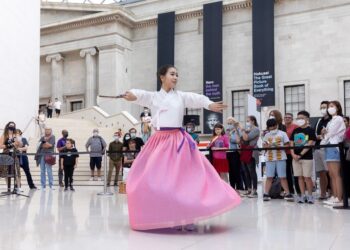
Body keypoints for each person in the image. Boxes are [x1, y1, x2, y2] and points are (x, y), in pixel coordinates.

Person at [121, 64, 240, 231]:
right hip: (159, 141)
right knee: (155, 180)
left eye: (177, 74)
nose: (175, 77)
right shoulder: (154, 97)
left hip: (177, 141)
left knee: (184, 180)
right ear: (162, 77)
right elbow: (140, 95)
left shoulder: (181, 96)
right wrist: (131, 94)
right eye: (172, 74)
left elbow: (197, 99)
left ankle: (187, 216)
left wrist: (210, 104)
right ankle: (167, 215)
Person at [262, 119, 294, 201]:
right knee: (269, 176)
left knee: (283, 176)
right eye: (270, 127)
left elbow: (287, 145)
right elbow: (264, 146)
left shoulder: (283, 133)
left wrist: (279, 146)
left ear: (276, 125)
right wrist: (270, 145)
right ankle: (266, 193)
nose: (272, 128)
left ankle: (288, 193)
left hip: (281, 157)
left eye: (273, 126)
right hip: (270, 158)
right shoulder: (267, 135)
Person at [321, 101, 346, 206]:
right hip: (328, 147)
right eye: (328, 107)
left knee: (336, 174)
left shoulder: (339, 119)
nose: (329, 108)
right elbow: (325, 134)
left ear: (338, 108)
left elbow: (330, 132)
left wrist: (325, 133)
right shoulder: (331, 120)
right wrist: (325, 133)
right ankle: (334, 196)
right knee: (331, 174)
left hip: (334, 147)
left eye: (332, 106)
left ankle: (339, 198)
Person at [290, 111, 317, 204]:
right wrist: (293, 154)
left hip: (306, 157)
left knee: (307, 177)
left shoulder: (310, 130)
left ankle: (310, 195)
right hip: (295, 158)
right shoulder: (295, 130)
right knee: (299, 177)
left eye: (301, 118)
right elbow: (291, 143)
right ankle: (302, 195)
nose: (299, 120)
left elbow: (310, 143)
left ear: (307, 119)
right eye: (298, 118)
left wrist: (301, 154)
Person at [314, 101, 331, 200]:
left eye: (324, 107)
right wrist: (320, 135)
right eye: (321, 107)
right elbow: (315, 134)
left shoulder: (333, 120)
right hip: (317, 148)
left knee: (330, 172)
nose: (322, 109)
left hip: (328, 148)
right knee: (321, 172)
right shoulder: (319, 120)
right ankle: (323, 193)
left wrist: (323, 135)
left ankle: (332, 192)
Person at [240, 115, 260, 198]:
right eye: (246, 121)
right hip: (245, 151)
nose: (247, 122)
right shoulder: (248, 130)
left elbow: (246, 138)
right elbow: (240, 139)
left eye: (248, 121)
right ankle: (248, 189)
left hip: (252, 151)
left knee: (251, 171)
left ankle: (254, 191)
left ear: (253, 121)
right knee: (246, 171)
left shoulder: (256, 129)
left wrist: (242, 130)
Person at [0, 122, 22, 192]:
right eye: (10, 125)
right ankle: (8, 188)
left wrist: (18, 142)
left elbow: (20, 145)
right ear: (8, 126)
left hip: (14, 154)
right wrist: (9, 145)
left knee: (17, 170)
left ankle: (18, 187)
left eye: (13, 126)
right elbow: (0, 146)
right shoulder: (4, 135)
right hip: (6, 154)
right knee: (5, 171)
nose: (11, 127)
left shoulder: (16, 135)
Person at [283, 113, 300, 195]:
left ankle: (299, 191)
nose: (287, 119)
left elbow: (298, 139)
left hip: (293, 152)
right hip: (284, 153)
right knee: (287, 173)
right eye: (285, 117)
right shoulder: (282, 127)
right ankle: (290, 191)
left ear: (292, 119)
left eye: (289, 117)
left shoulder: (296, 127)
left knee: (295, 172)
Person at [225, 117, 244, 191]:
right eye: (228, 123)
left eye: (230, 123)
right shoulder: (226, 131)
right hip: (227, 152)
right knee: (230, 170)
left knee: (236, 170)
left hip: (235, 152)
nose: (229, 125)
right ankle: (232, 187)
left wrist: (230, 138)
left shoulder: (237, 130)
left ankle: (240, 187)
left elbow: (238, 141)